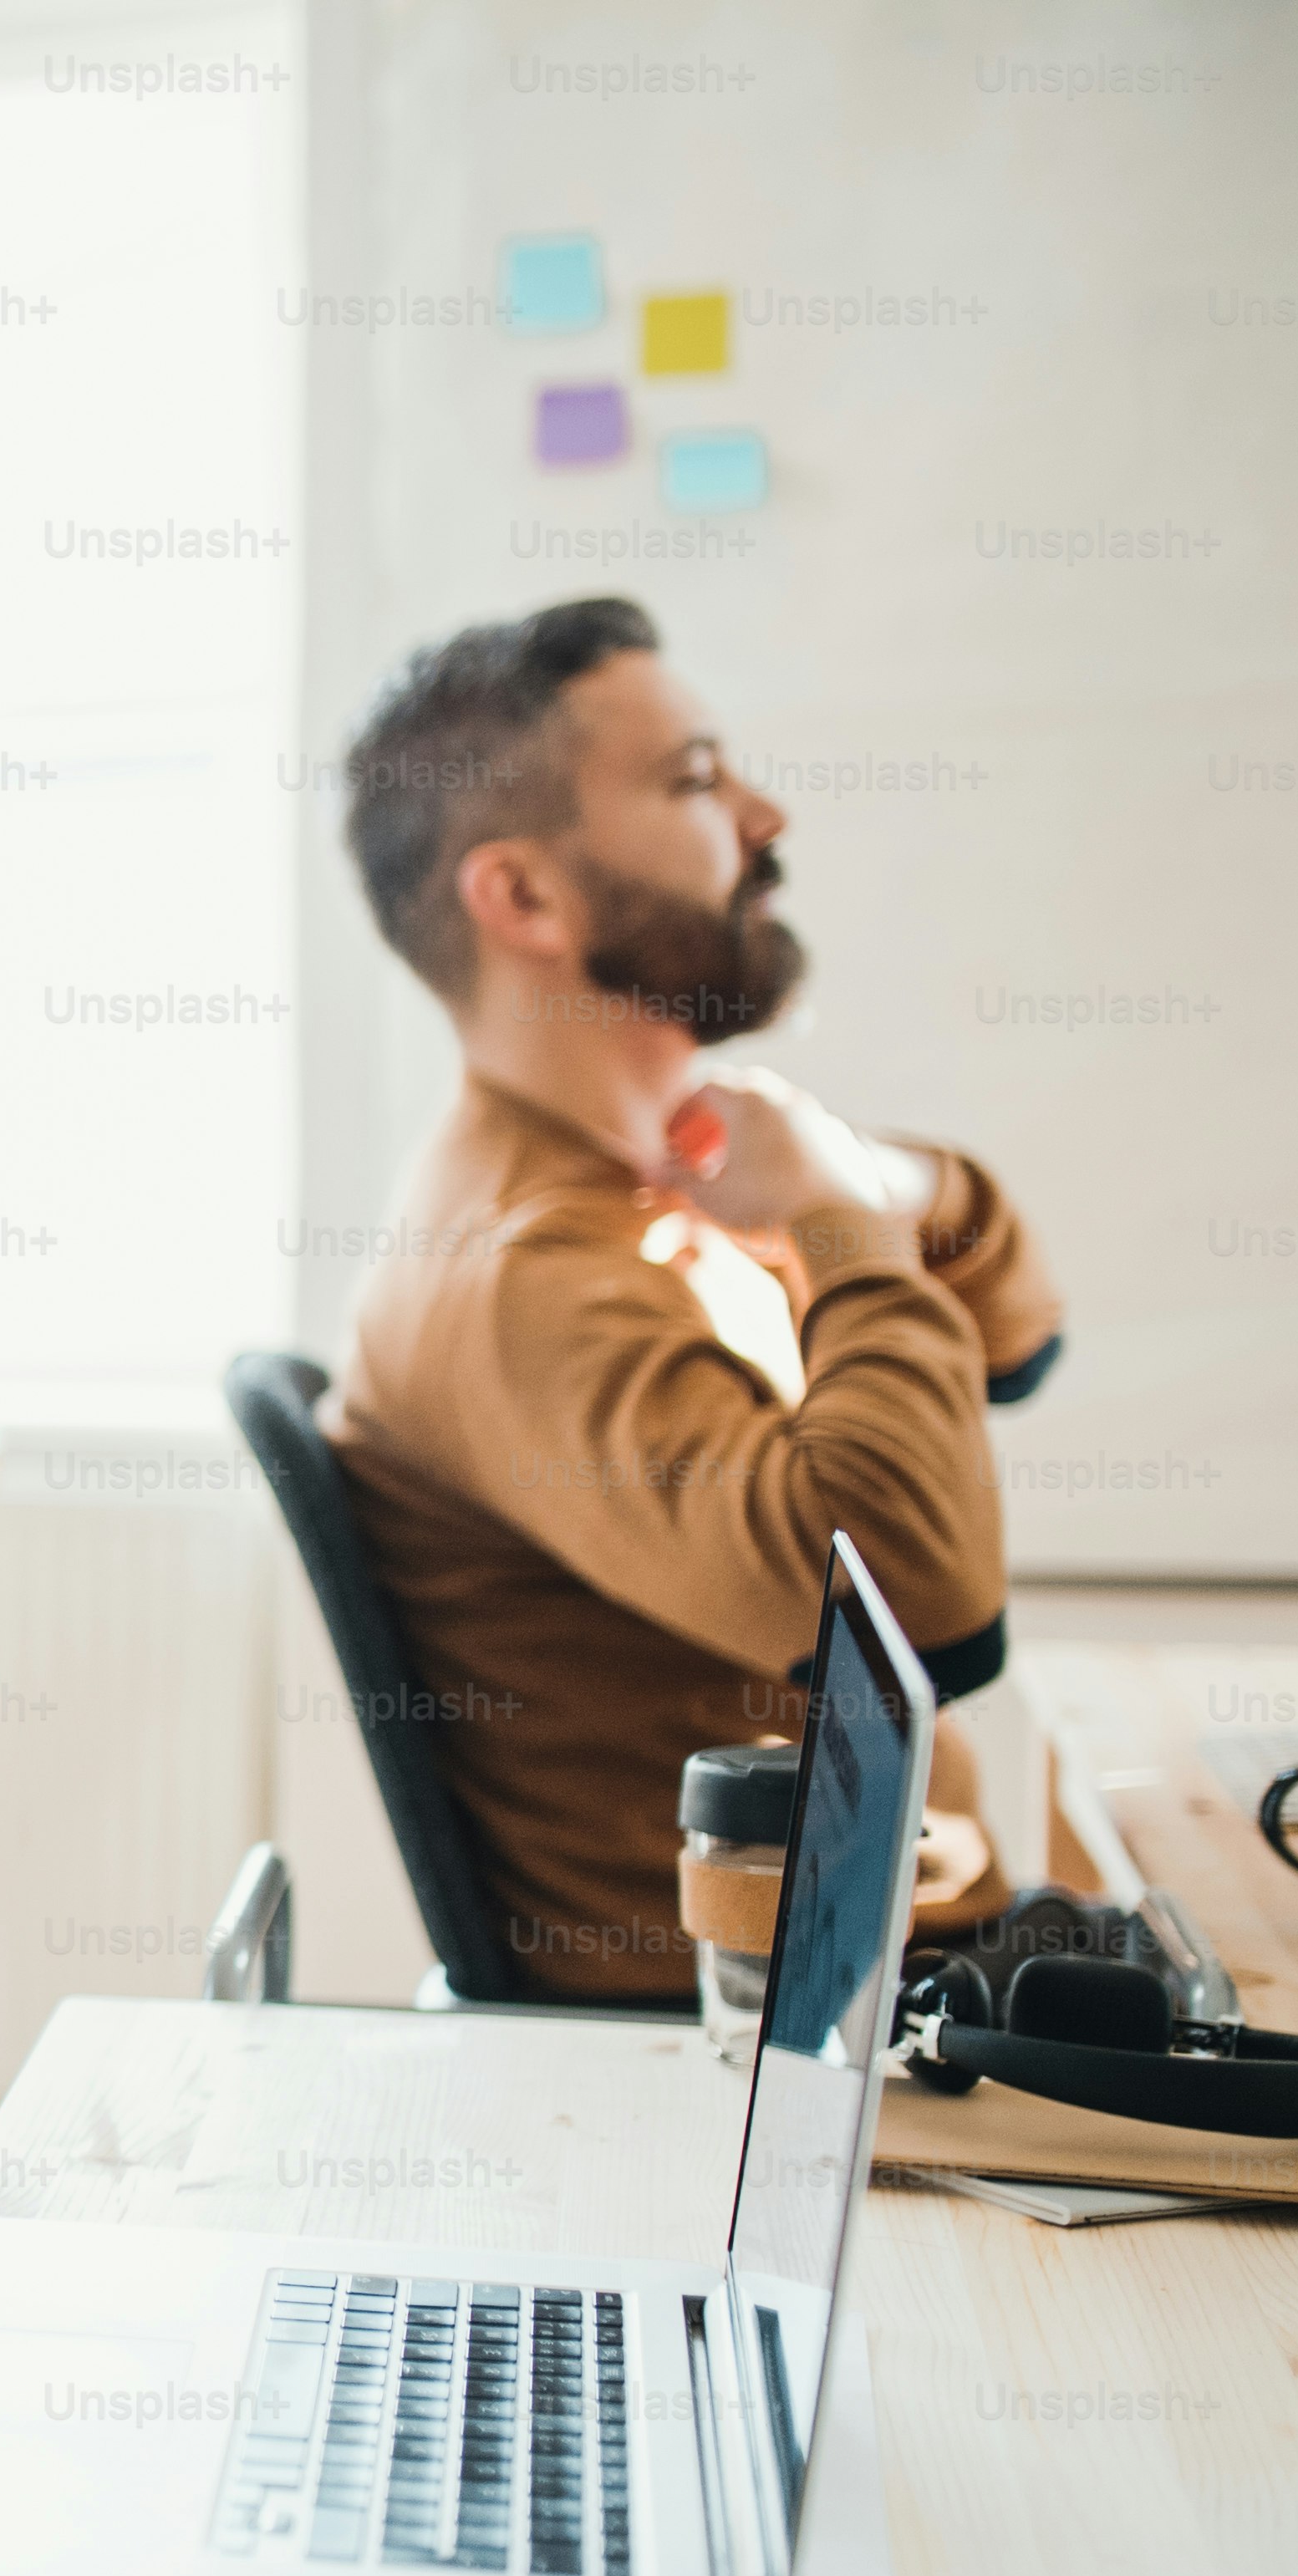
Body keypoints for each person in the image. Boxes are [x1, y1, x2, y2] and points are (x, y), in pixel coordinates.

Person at [325, 597, 1063, 2003]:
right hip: (803, 2053)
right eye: (695, 780)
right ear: (525, 899)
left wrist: (878, 1185)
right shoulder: (530, 1274)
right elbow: (917, 1604)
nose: (766, 817)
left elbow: (1018, 1339)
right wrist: (840, 1220)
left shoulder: (653, 1186)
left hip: (890, 1976)